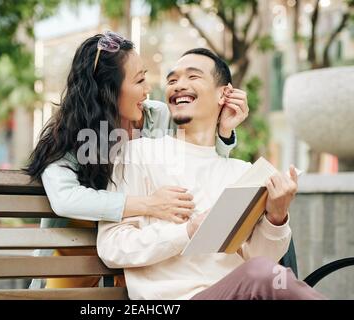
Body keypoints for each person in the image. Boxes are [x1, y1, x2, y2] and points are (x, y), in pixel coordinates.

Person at [97, 48, 326, 300]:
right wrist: (187, 232)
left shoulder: (242, 172)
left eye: (193, 77)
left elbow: (262, 259)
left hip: (241, 293)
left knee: (265, 273)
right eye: (172, 80)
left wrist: (277, 215)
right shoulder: (137, 154)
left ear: (224, 94)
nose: (178, 86)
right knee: (262, 274)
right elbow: (112, 246)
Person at [25, 32, 249, 289]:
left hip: (142, 255)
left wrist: (223, 132)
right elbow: (65, 198)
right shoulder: (70, 135)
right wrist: (147, 204)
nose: (148, 89)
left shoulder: (158, 117)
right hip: (80, 247)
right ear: (109, 90)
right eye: (140, 80)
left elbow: (200, 163)